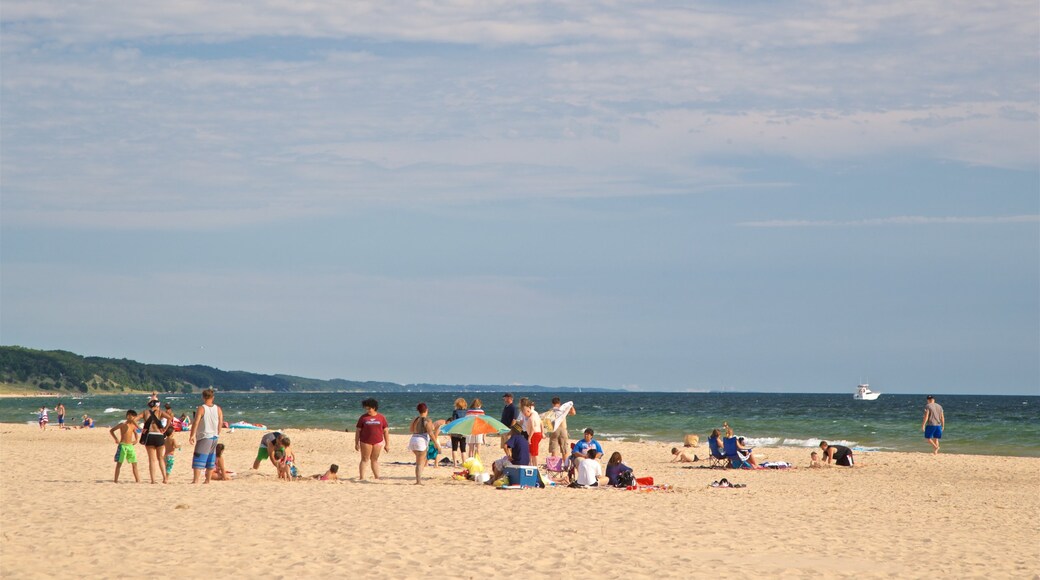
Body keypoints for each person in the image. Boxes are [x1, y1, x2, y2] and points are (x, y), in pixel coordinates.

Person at [188, 389, 223, 484]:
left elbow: (196, 422)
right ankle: (207, 480)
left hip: (205, 436)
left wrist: (192, 435)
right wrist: (218, 432)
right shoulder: (218, 408)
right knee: (211, 458)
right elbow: (220, 423)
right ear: (213, 397)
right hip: (214, 436)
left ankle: (196, 480)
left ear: (203, 397)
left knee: (199, 456)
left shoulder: (202, 408)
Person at [140, 400, 175, 484]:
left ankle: (153, 480)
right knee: (160, 458)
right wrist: (165, 428)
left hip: (149, 435)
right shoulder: (160, 412)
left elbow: (134, 419)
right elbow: (170, 418)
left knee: (152, 460)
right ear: (156, 406)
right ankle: (165, 478)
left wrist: (141, 429)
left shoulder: (145, 412)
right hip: (159, 436)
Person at [355, 398, 389, 480]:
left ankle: (377, 477)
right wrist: (356, 443)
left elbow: (385, 431)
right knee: (365, 459)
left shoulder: (381, 417)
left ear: (374, 407)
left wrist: (387, 444)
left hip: (378, 441)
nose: (368, 410)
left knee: (374, 460)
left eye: (369, 408)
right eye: (366, 408)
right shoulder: (363, 418)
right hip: (365, 441)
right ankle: (362, 477)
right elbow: (358, 431)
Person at [407, 403, 438, 485]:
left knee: (420, 461)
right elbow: (431, 433)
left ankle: (418, 480)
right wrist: (436, 444)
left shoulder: (415, 419)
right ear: (426, 410)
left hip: (413, 439)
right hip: (421, 441)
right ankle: (418, 481)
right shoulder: (428, 420)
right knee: (420, 463)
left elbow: (411, 429)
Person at [109, 410, 140, 483]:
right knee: (119, 463)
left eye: (134, 417)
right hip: (123, 446)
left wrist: (136, 440)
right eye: (133, 417)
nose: (134, 419)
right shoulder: (122, 424)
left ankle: (137, 480)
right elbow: (112, 430)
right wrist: (116, 439)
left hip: (130, 446)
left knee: (134, 463)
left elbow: (135, 433)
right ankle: (115, 480)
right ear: (128, 416)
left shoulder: (133, 425)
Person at [520, 400, 543, 466]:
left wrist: (529, 438)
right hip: (536, 434)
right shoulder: (533, 415)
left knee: (534, 453)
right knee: (531, 451)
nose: (525, 415)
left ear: (528, 411)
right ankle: (531, 464)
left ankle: (535, 467)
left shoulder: (531, 417)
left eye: (525, 414)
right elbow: (540, 422)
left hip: (534, 435)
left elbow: (533, 428)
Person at [447, 398, 469, 466]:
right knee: (463, 449)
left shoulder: (455, 412)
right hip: (463, 432)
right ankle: (464, 463)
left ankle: (455, 464)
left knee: (454, 448)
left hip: (455, 431)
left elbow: (454, 421)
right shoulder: (467, 412)